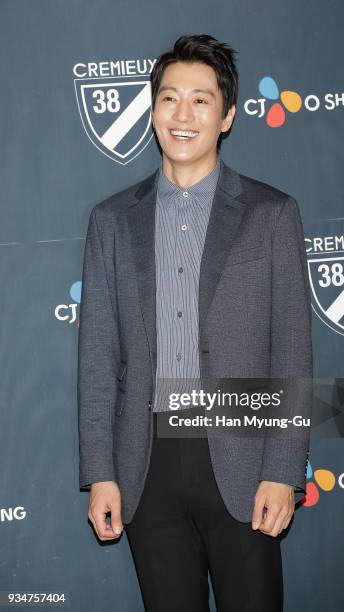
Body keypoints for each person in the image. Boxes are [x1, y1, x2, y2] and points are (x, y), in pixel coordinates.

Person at [77, 34, 313, 612]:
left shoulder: (271, 213)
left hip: (242, 456)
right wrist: (101, 472)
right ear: (153, 110)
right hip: (146, 464)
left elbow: (291, 350)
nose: (183, 116)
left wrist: (284, 470)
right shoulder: (111, 221)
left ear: (228, 115)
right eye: (169, 99)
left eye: (201, 101)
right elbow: (98, 357)